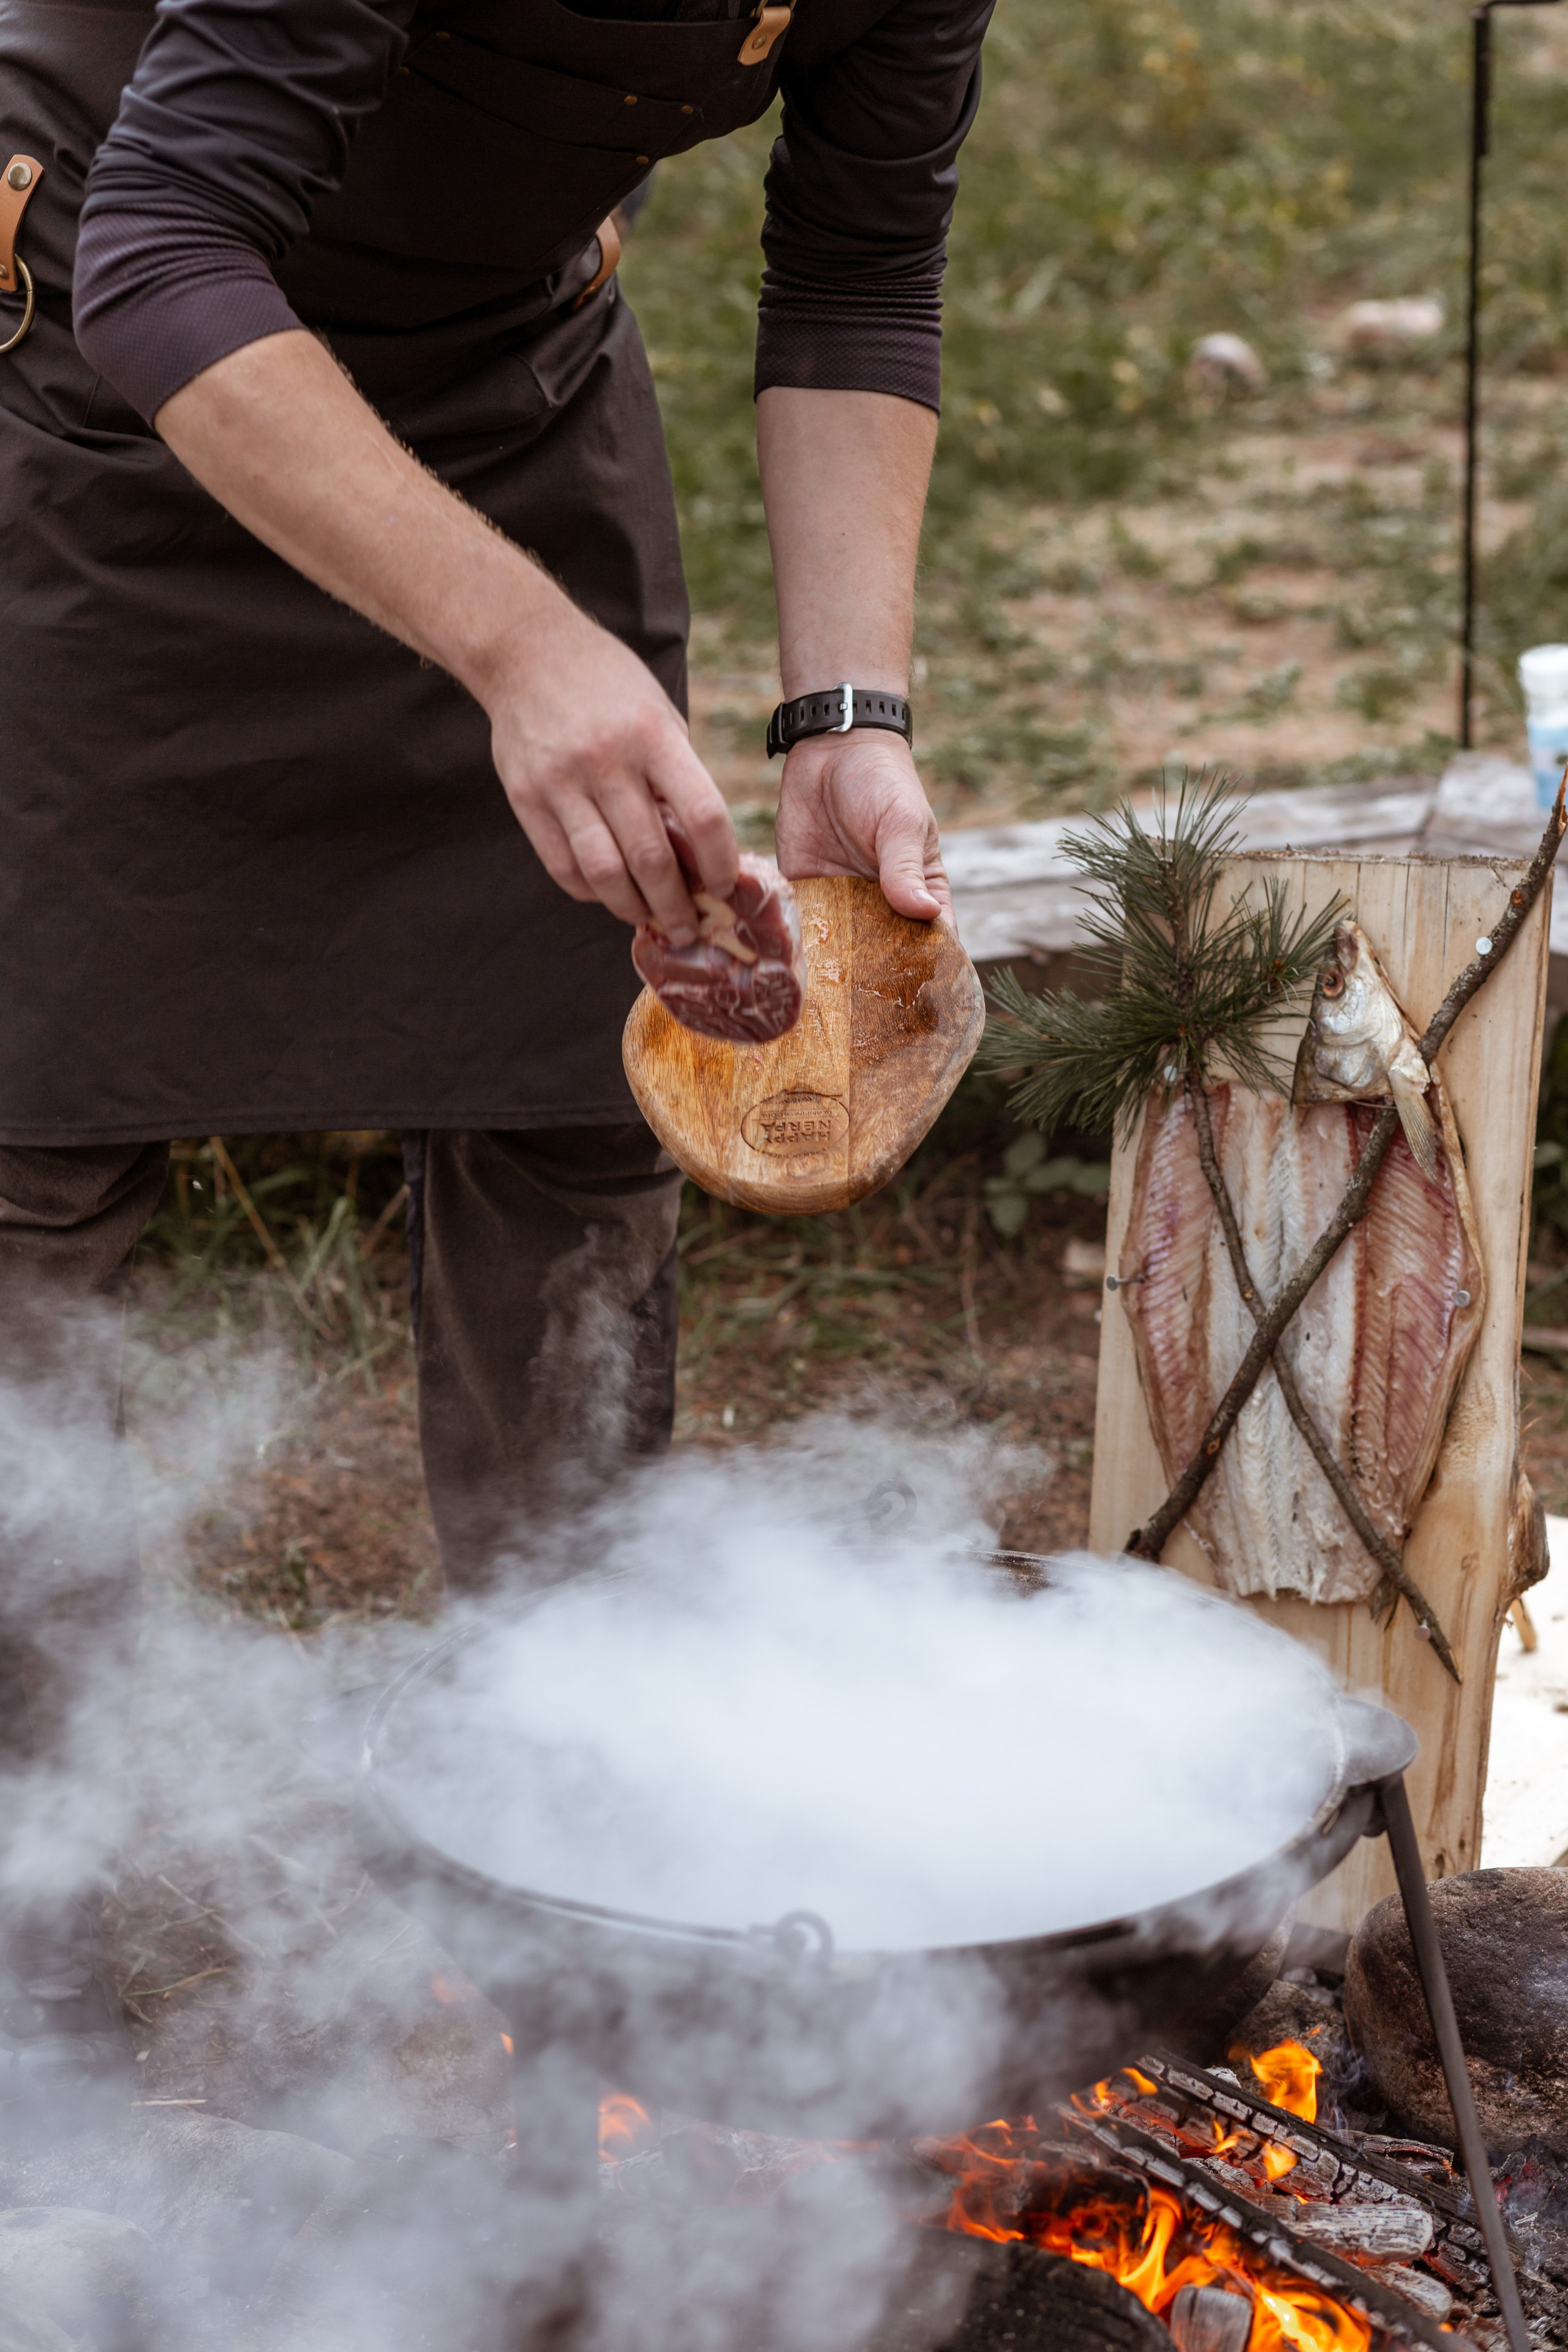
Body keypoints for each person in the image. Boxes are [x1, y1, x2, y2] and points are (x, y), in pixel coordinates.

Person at [0, 0, 993, 2076]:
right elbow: (169, 245)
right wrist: (524, 652)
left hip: (500, 390)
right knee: (34, 1158)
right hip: (100, 361)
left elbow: (857, 269)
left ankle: (570, 1845)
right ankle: (32, 1926)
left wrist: (847, 720)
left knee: (575, 1110)